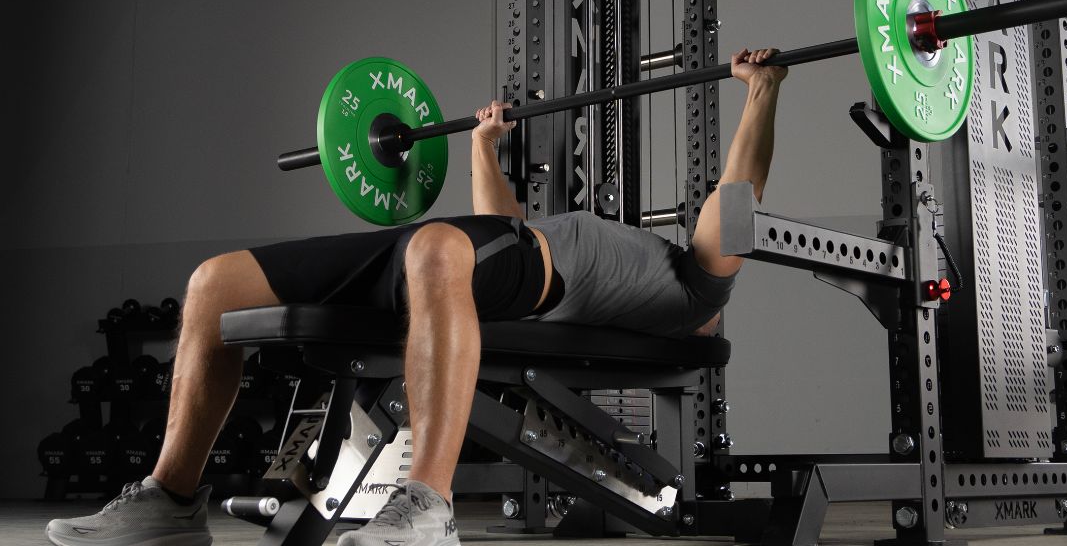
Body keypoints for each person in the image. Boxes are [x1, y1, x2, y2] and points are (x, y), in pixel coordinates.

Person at [45, 48, 787, 546]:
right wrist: (481, 145)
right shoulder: (611, 259)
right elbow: (501, 230)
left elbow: (737, 191)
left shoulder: (694, 288)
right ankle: (169, 504)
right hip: (477, 255)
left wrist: (763, 91)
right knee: (214, 283)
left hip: (488, 265)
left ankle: (425, 507)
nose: (708, 229)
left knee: (437, 244)